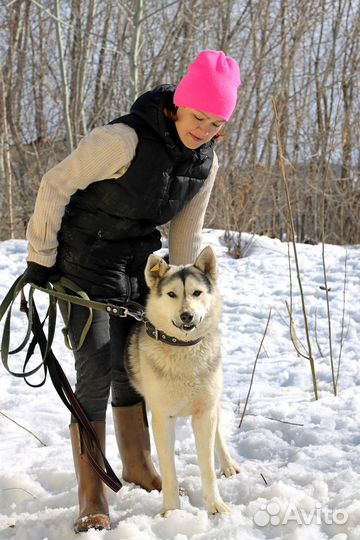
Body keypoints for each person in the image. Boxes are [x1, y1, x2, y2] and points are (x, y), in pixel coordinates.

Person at [24, 50, 241, 532]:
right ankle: (91, 491)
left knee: (135, 366)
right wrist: (40, 258)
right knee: (97, 366)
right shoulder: (122, 141)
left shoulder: (205, 161)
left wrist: (192, 289)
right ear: (179, 105)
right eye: (199, 116)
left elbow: (186, 233)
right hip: (83, 264)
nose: (204, 129)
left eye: (217, 122)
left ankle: (139, 465)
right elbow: (54, 185)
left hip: (139, 268)